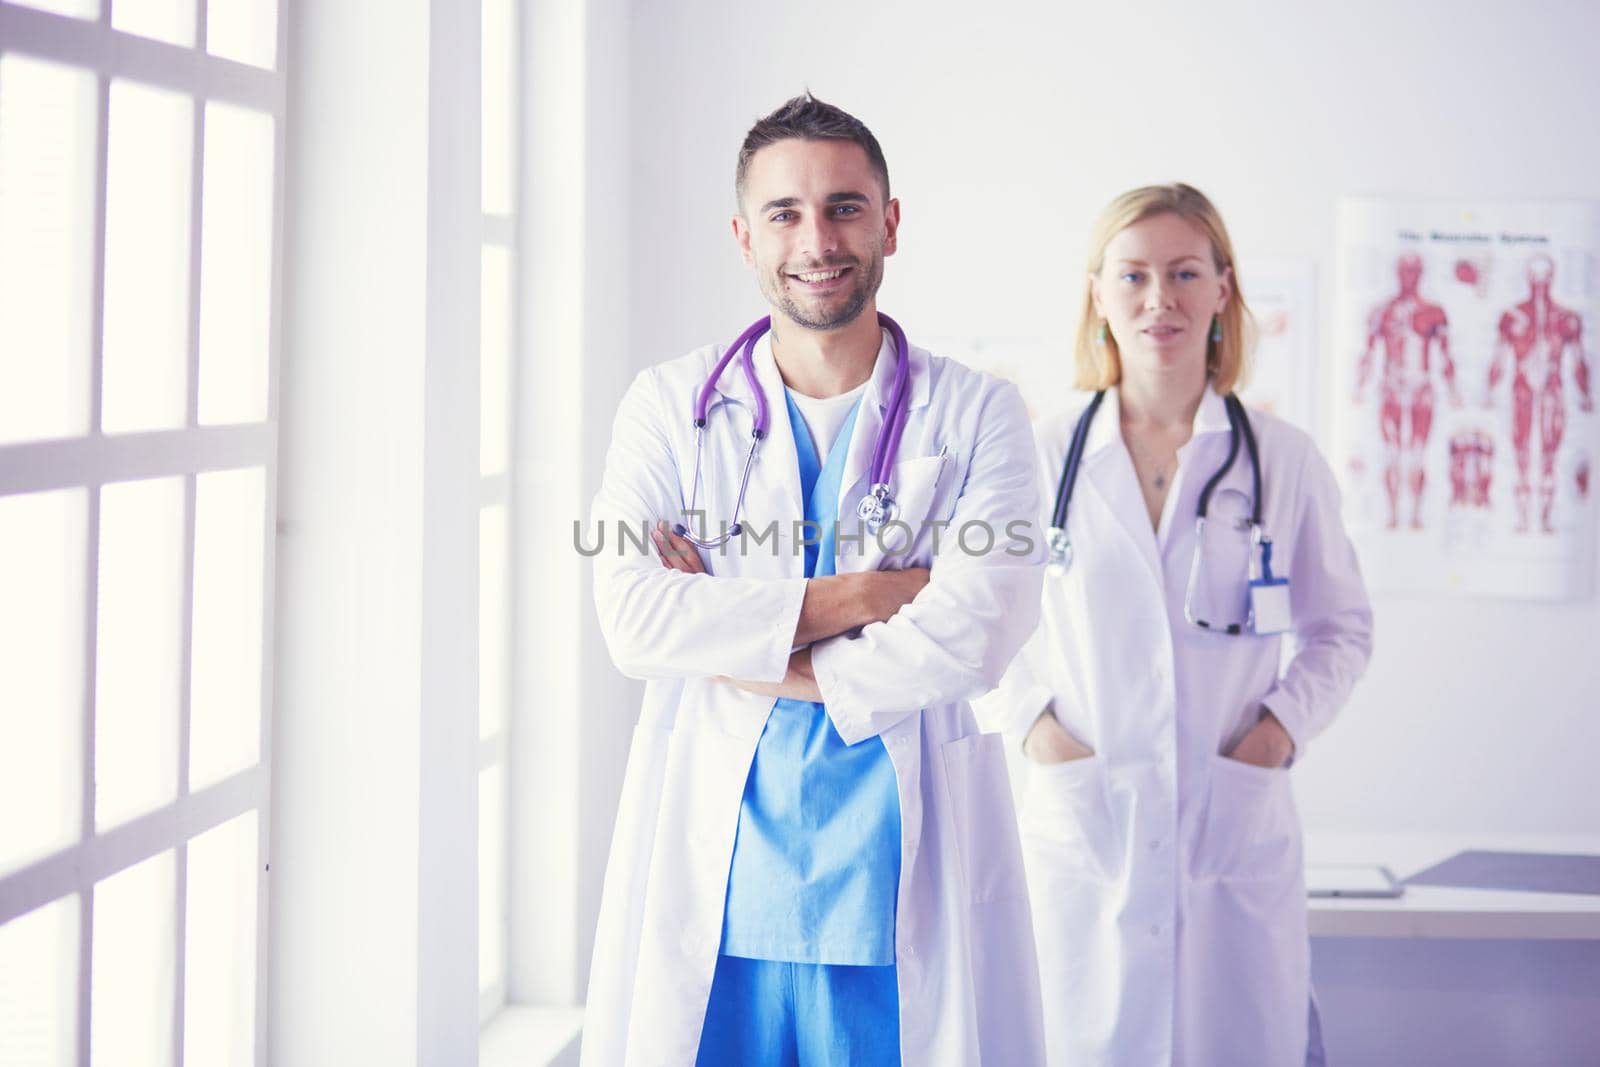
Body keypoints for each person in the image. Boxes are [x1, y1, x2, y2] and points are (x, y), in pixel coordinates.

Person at [582, 94, 1047, 1067]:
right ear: (744, 234)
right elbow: (635, 619)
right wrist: (874, 595)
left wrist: (747, 651)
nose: (816, 238)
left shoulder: (977, 413)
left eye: (843, 207)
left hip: (893, 869)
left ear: (889, 221)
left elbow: (977, 631)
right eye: (785, 213)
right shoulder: (669, 407)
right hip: (722, 868)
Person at [980, 183, 1374, 1066]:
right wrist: (1038, 729)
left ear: (1224, 289)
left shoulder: (1283, 460)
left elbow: (1342, 628)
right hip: (1085, 826)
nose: (1160, 299)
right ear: (1099, 293)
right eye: (1135, 275)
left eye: (1185, 272)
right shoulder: (1038, 455)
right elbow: (976, 626)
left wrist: (1275, 733)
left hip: (1230, 827)